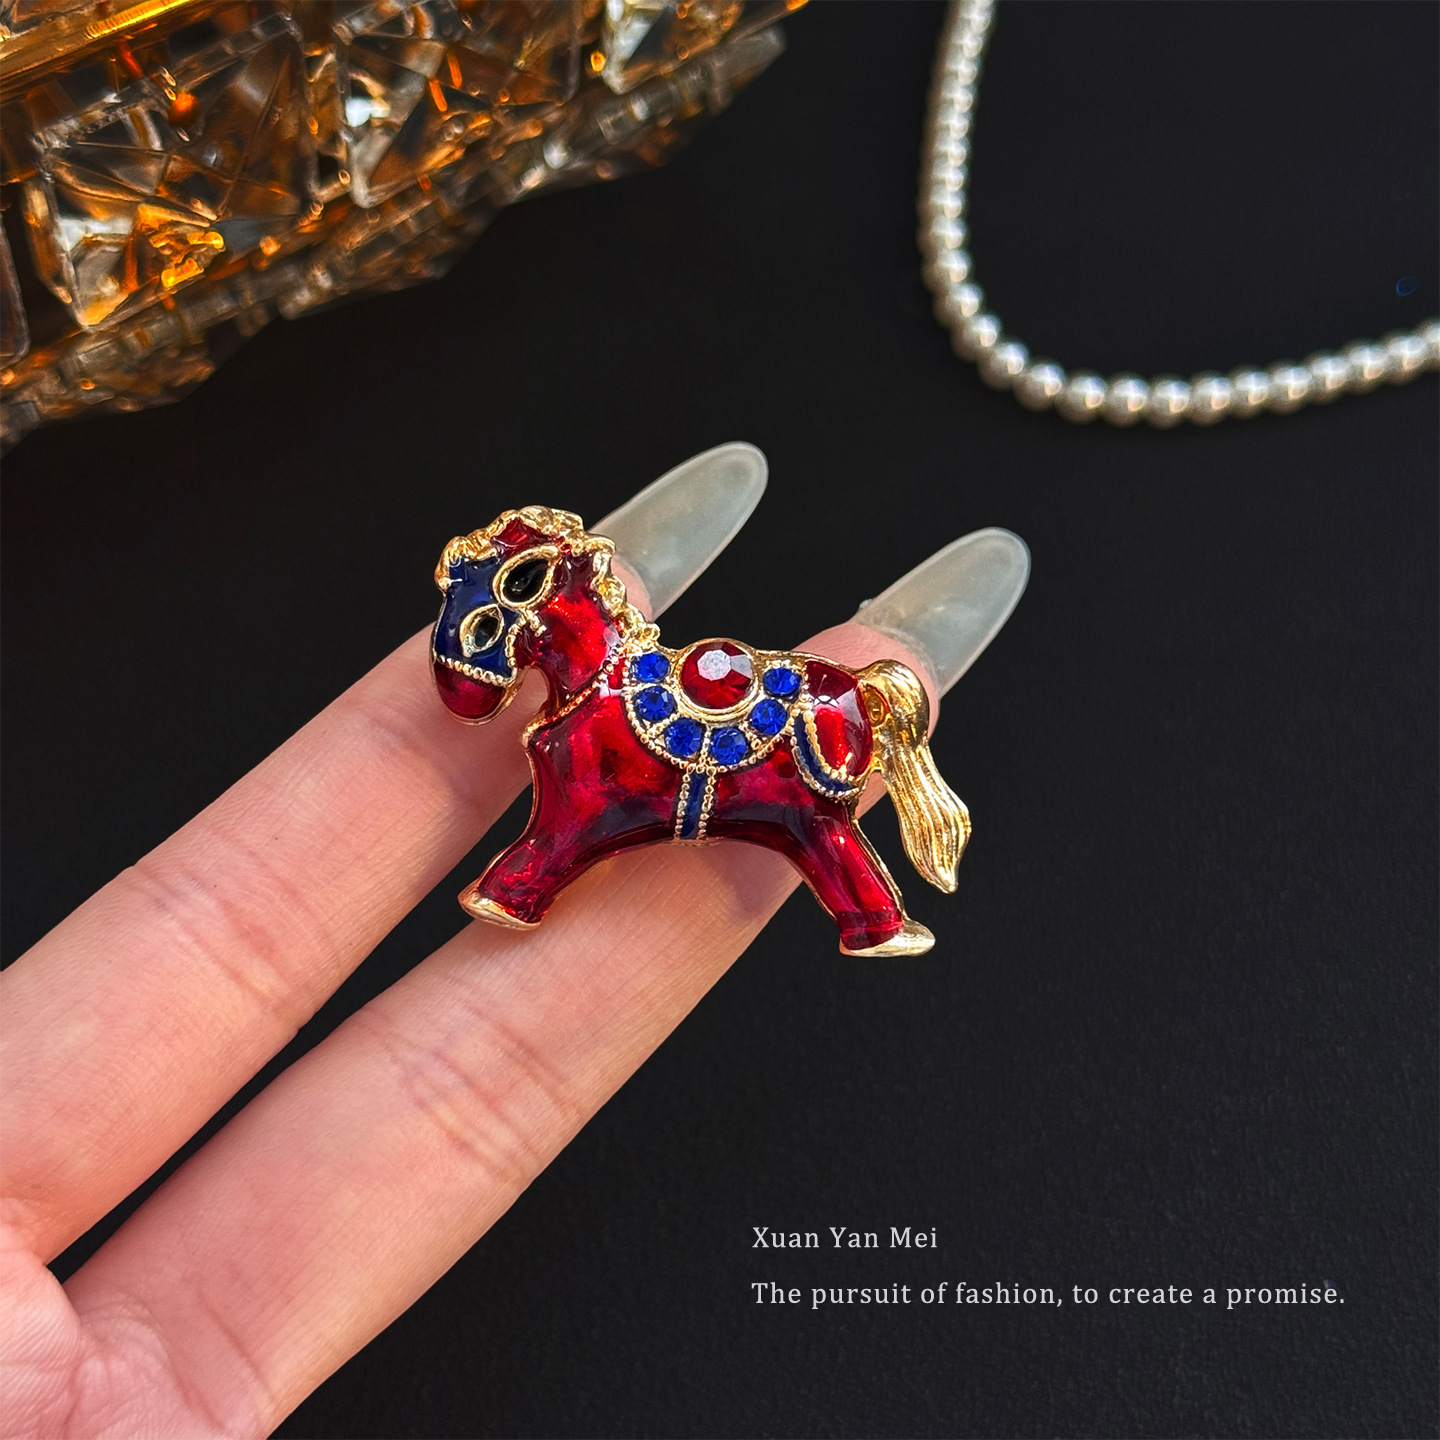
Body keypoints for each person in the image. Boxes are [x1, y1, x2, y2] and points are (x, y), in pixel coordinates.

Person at [0, 444, 1027, 1437]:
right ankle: (865, 912)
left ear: (541, 601)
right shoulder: (576, 702)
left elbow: (578, 819)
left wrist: (520, 880)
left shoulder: (589, 725)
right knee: (803, 828)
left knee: (800, 821)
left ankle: (841, 910)